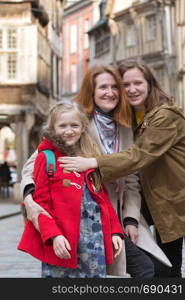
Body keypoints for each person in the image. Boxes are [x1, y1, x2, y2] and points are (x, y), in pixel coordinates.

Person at [20, 64, 171, 278]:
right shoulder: (76, 125)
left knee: (157, 268)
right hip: (86, 216)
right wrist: (28, 199)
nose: (110, 93)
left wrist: (130, 220)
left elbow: (130, 181)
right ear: (91, 91)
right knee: (139, 269)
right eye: (103, 87)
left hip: (114, 216)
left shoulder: (125, 127)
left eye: (114, 87)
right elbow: (34, 165)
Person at [60, 60, 185, 278]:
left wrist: (94, 162)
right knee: (153, 270)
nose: (130, 89)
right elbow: (41, 157)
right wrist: (30, 195)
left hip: (167, 203)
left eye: (137, 83)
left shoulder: (161, 117)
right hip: (96, 213)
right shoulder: (82, 122)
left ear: (150, 83)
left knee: (164, 269)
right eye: (125, 84)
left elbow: (137, 159)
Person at [18, 100, 124, 278]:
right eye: (63, 126)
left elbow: (102, 198)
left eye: (74, 125)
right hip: (63, 241)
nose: (69, 130)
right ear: (52, 129)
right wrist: (54, 236)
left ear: (83, 127)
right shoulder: (46, 158)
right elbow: (41, 204)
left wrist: (115, 231)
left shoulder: (88, 157)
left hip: (94, 243)